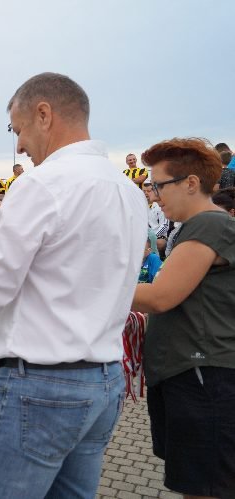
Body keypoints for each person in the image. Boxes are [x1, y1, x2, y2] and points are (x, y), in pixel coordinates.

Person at [0, 72, 148, 498]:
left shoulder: (39, 185)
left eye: (17, 130)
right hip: (105, 379)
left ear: (44, 114)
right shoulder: (127, 191)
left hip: (40, 386)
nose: (19, 145)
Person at [132, 138, 235, 499]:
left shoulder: (209, 224)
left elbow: (161, 296)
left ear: (191, 183)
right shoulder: (196, 226)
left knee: (206, 488)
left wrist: (91, 286)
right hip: (190, 374)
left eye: (159, 185)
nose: (155, 195)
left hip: (203, 377)